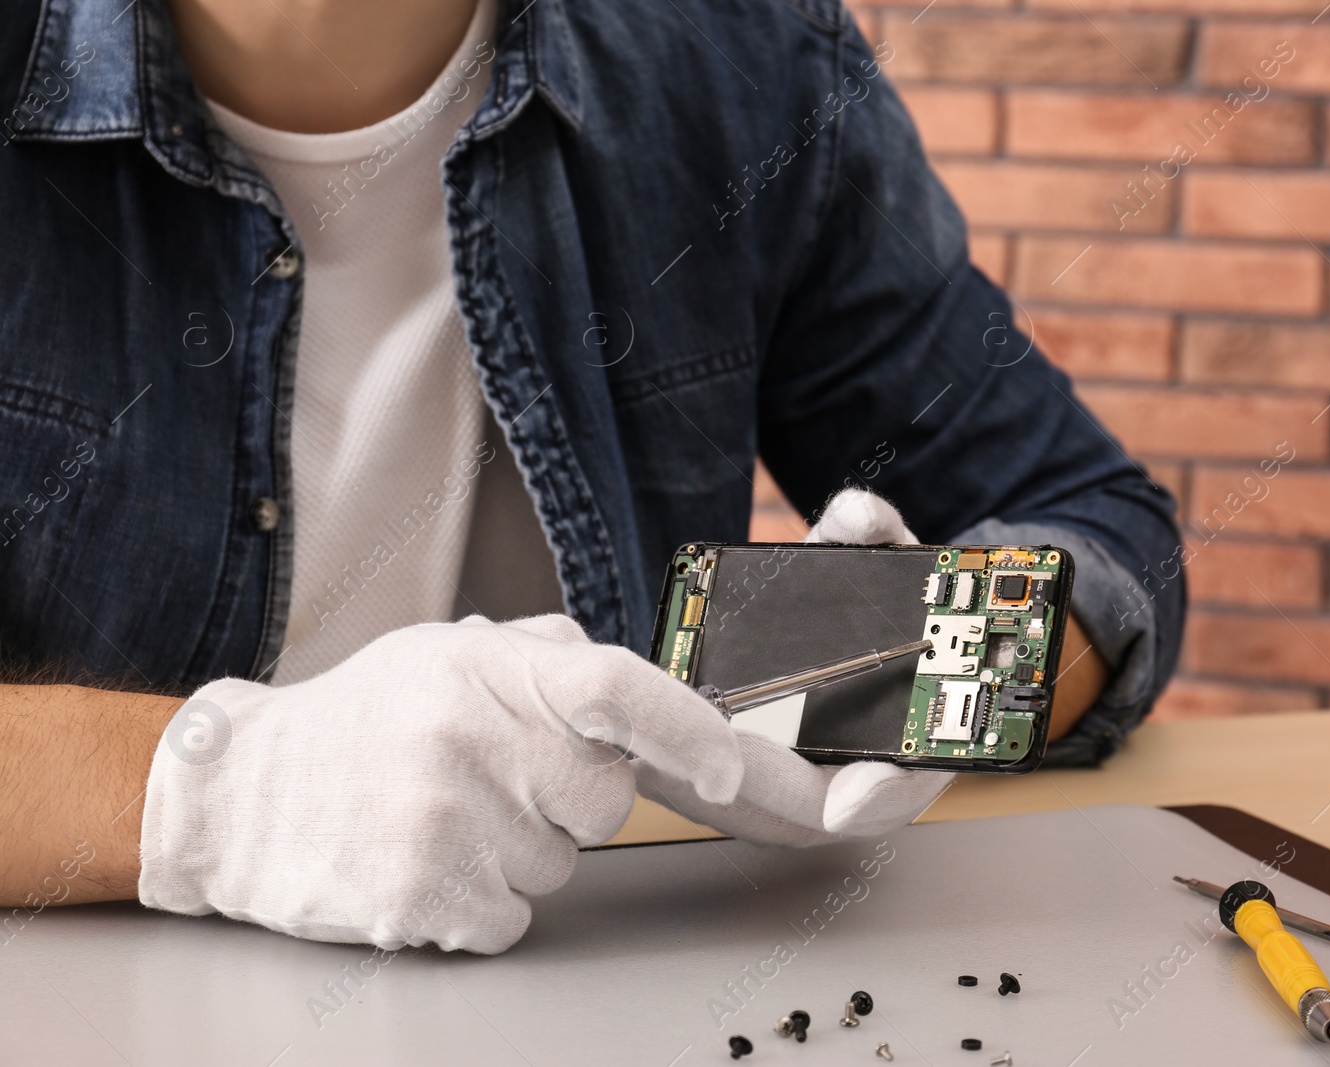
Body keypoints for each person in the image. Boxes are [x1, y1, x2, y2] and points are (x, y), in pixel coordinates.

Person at [0, 0, 1184, 954]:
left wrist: (870, 675)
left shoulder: (744, 62)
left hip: (594, 972)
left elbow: (1097, 528)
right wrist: (229, 796)